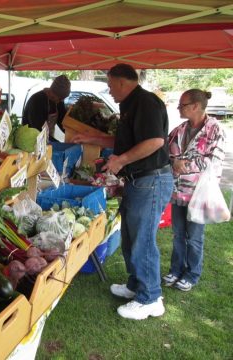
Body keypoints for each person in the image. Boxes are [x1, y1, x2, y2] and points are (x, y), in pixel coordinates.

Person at [71, 63, 173, 320]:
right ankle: (136, 284)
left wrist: (121, 160)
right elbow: (124, 140)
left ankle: (150, 298)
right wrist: (90, 138)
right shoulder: (130, 105)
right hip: (139, 181)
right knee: (130, 235)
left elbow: (155, 142)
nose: (108, 89)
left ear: (122, 83)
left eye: (110, 84)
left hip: (151, 180)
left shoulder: (146, 102)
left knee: (143, 240)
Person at [162, 89, 226, 291]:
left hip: (199, 194)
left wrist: (184, 165)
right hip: (179, 191)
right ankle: (176, 269)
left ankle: (192, 274)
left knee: (195, 237)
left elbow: (214, 160)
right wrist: (174, 161)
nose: (179, 108)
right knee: (178, 234)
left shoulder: (215, 129)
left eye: (182, 105)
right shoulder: (179, 130)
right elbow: (166, 150)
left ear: (196, 106)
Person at [22, 75, 71, 141]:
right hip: (31, 139)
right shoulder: (37, 100)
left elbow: (62, 121)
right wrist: (56, 142)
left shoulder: (58, 101)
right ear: (53, 92)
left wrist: (71, 134)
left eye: (62, 99)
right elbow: (38, 128)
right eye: (60, 98)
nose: (61, 101)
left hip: (47, 138)